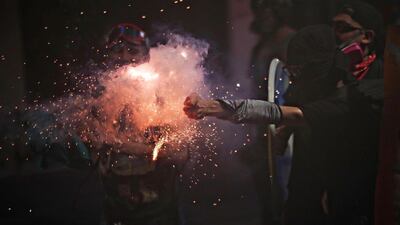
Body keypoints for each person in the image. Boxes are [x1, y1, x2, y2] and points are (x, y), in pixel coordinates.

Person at [183, 25, 383, 225]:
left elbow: (286, 113)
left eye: (298, 70)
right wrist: (286, 130)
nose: (294, 78)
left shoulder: (347, 100)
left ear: (315, 69)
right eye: (291, 70)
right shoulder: (312, 91)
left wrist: (211, 107)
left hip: (348, 201)